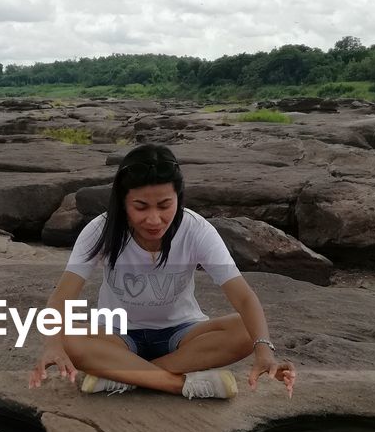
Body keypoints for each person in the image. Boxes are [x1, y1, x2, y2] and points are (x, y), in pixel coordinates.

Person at [27, 143, 297, 399]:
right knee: (65, 337)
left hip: (182, 334)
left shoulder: (196, 229)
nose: (154, 219)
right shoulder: (101, 229)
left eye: (165, 205)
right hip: (116, 334)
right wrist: (52, 345)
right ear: (123, 202)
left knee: (246, 330)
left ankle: (123, 374)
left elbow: (244, 298)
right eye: (141, 207)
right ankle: (178, 384)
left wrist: (263, 350)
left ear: (178, 198)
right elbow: (61, 299)